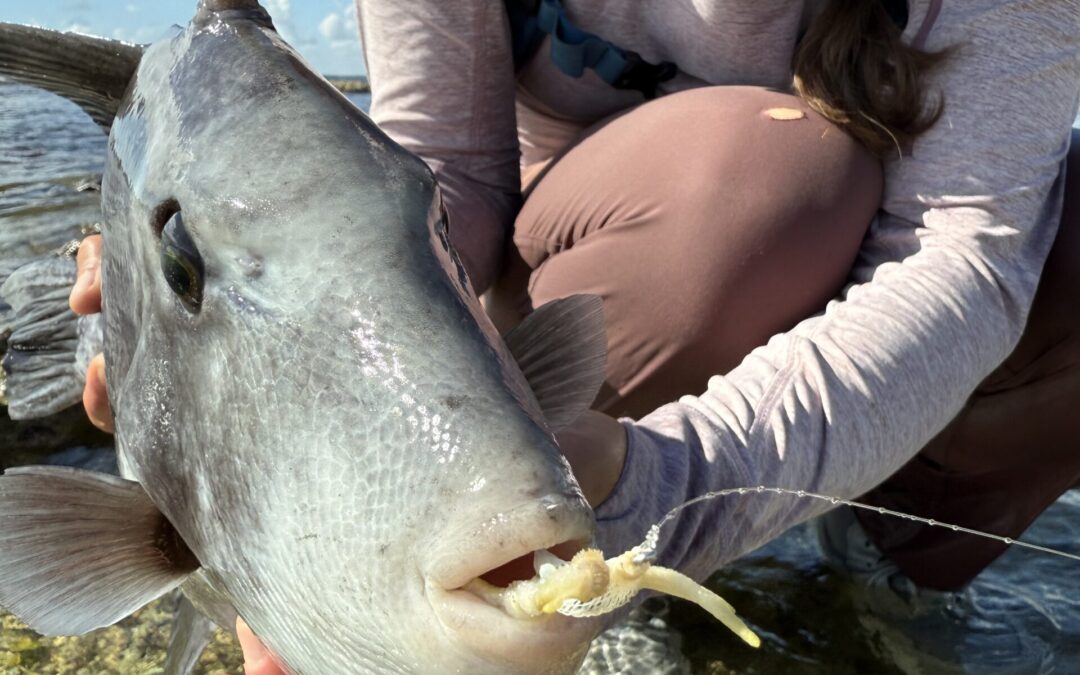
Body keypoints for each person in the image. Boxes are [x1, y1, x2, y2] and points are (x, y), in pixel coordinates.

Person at [69, 0, 1080, 671]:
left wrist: (678, 484)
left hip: (859, 327)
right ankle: (535, 564)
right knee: (763, 191)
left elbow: (966, 255)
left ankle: (882, 572)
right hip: (567, 292)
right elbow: (444, 176)